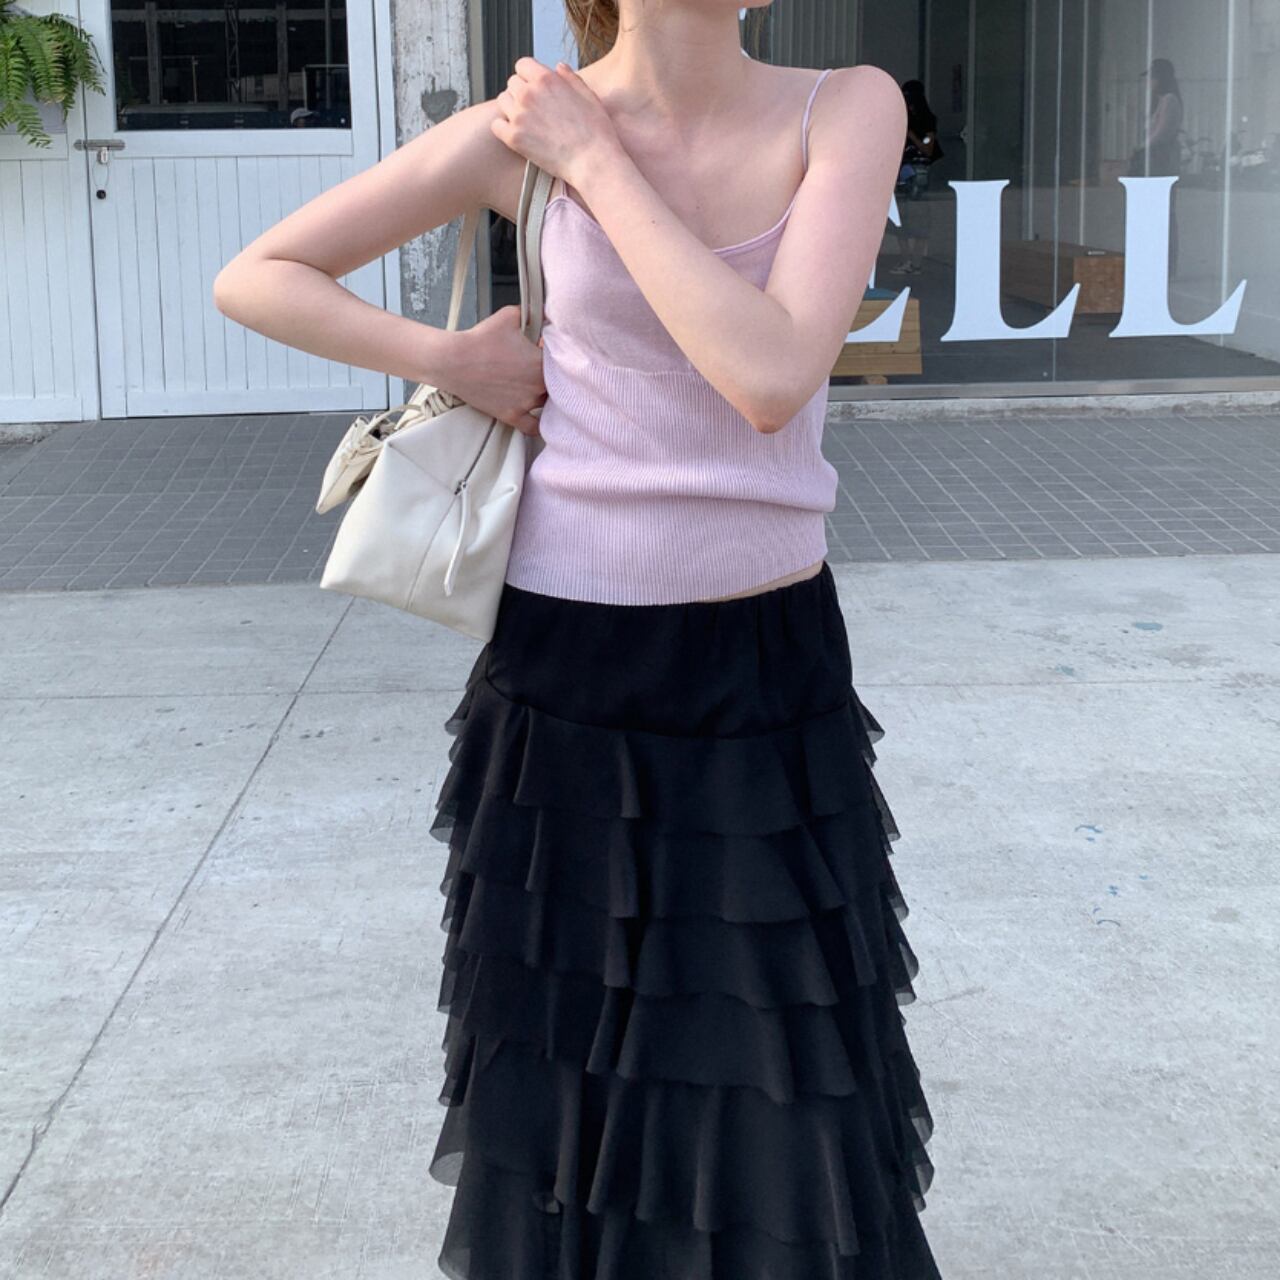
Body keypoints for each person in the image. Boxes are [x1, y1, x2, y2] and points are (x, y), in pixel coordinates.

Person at [213, 3, 940, 1277]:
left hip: (763, 662)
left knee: (782, 1052)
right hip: (566, 660)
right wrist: (451, 355)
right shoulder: (517, 131)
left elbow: (770, 377)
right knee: (572, 1058)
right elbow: (258, 274)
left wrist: (595, 161)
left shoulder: (844, 106)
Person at [1129, 57, 1183, 275]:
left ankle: (1166, 263)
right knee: (1153, 213)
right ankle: (1155, 259)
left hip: (1161, 162)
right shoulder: (1161, 102)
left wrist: (1140, 147)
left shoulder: (1170, 100)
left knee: (1163, 212)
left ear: (1162, 78)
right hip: (1154, 160)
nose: (1149, 82)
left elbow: (1161, 133)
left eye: (1152, 78)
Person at [890, 78, 942, 275]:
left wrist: (910, 134)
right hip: (904, 173)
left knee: (918, 218)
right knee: (900, 218)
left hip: (919, 172)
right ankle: (907, 260)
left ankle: (915, 262)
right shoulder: (903, 118)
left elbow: (928, 148)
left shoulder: (926, 121)